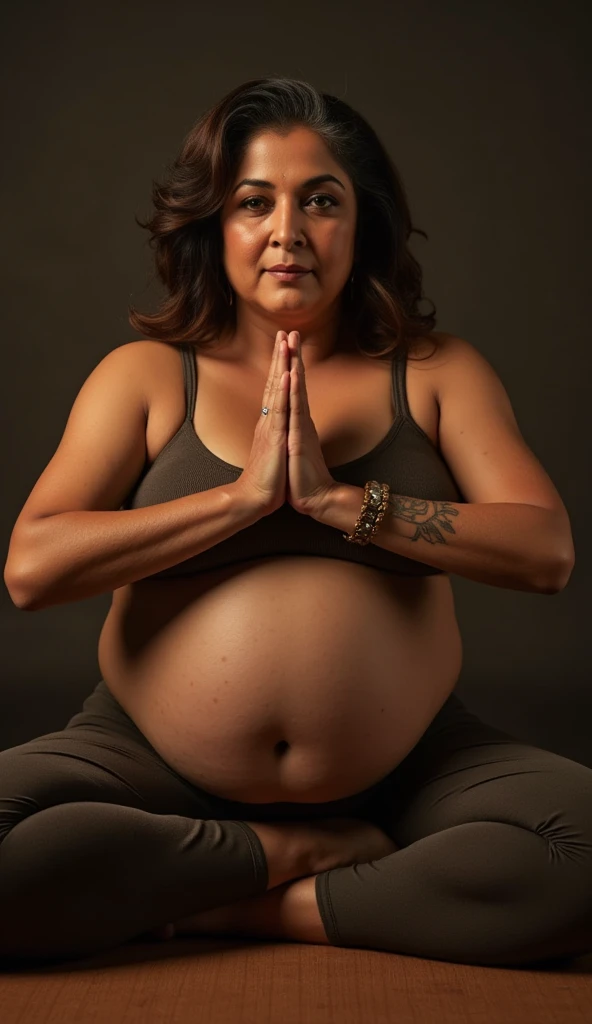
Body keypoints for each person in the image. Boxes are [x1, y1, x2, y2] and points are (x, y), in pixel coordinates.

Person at [2, 75, 589, 970]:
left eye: (321, 200)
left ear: (363, 224)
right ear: (215, 225)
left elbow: (545, 551)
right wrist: (241, 499)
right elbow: (31, 568)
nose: (288, 231)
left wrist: (338, 501)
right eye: (253, 202)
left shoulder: (434, 371)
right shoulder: (148, 376)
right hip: (145, 760)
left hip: (409, 769)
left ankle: (244, 910)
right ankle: (291, 859)